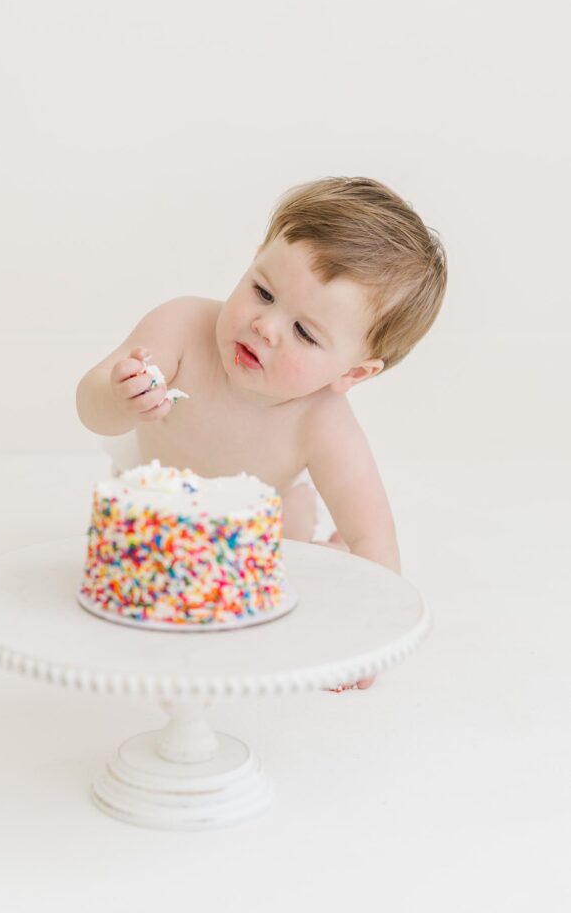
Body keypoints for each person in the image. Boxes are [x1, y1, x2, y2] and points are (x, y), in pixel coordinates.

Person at [76, 176, 447, 690]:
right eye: (263, 291)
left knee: (292, 546)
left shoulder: (324, 422)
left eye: (304, 332)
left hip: (254, 524)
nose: (265, 326)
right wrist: (119, 396)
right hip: (155, 508)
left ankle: (319, 545)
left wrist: (369, 642)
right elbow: (92, 409)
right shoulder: (181, 328)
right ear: (252, 261)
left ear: (353, 373)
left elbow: (372, 534)